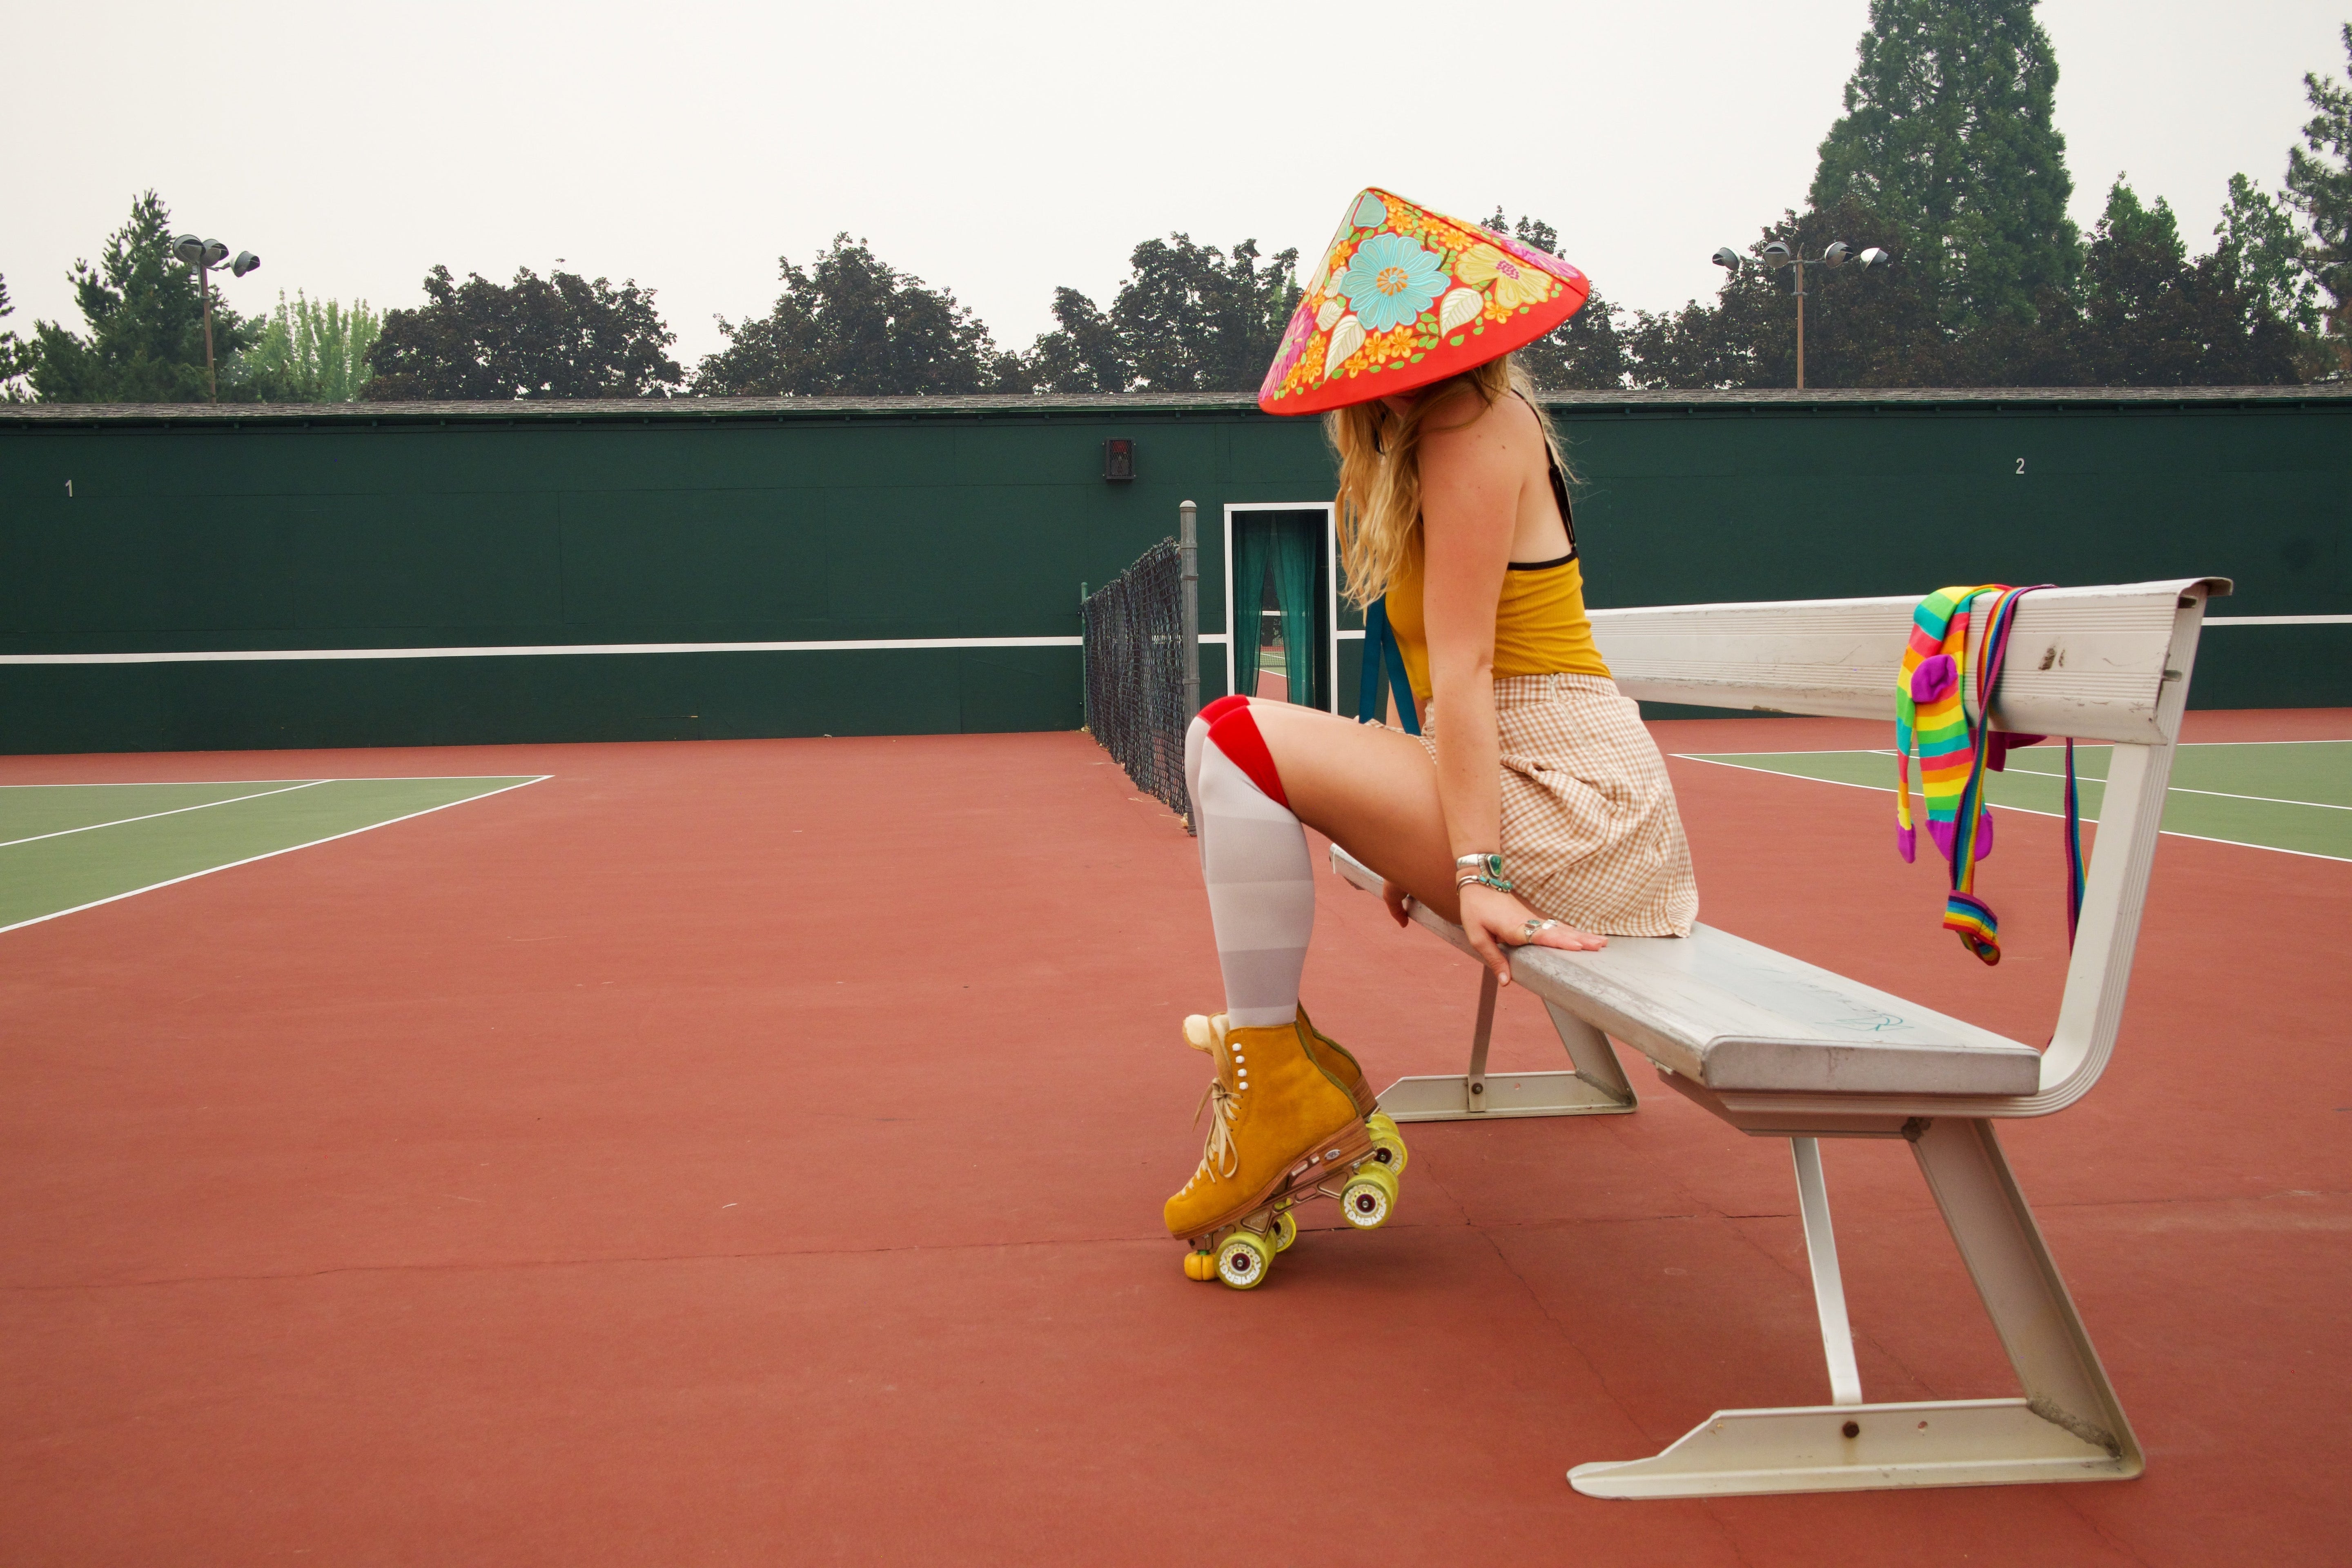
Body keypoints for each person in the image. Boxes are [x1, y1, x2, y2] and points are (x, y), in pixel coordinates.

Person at [1166, 188, 1698, 1287]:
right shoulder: (1429, 441)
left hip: (1579, 803)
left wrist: (1475, 862)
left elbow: (1465, 674)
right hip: (1525, 776)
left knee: (1229, 736)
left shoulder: (1468, 430)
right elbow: (1443, 678)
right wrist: (1426, 826)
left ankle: (1279, 1091)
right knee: (1214, 744)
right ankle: (1282, 1069)